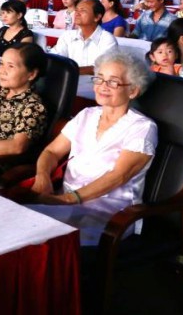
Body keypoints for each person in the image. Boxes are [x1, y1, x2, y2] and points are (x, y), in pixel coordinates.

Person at [26, 49, 158, 246]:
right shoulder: (87, 114)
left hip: (108, 211)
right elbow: (52, 152)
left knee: (38, 239)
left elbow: (118, 176)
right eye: (99, 79)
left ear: (133, 90)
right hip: (65, 199)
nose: (103, 86)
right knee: (18, 224)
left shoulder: (143, 128)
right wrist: (43, 176)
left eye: (113, 82)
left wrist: (69, 200)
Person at [51, 0, 119, 74]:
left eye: (83, 11)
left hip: (94, 84)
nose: (77, 13)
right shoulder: (67, 36)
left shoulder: (107, 39)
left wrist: (69, 71)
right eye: (76, 10)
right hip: (68, 82)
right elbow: (55, 58)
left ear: (97, 17)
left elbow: (103, 67)